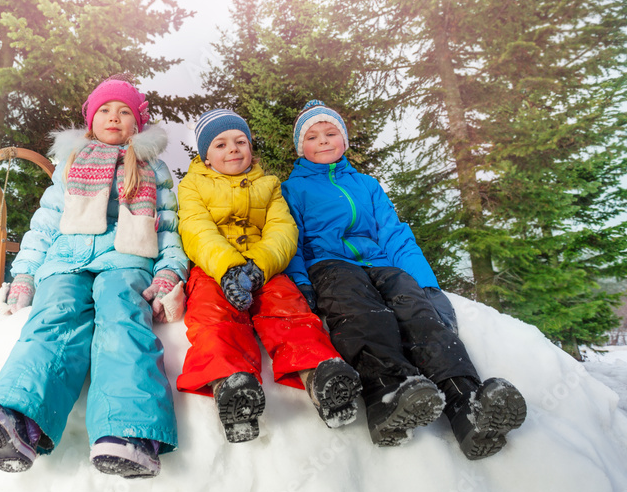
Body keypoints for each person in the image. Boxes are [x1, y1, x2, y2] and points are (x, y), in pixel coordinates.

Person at [0, 76, 189, 478]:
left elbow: (169, 226)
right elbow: (45, 225)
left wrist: (169, 272)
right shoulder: (71, 165)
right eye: (104, 110)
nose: (113, 118)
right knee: (54, 317)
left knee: (121, 321)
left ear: (138, 122)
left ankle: (130, 434)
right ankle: (19, 420)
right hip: (66, 262)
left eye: (124, 112)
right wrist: (26, 273)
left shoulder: (153, 167)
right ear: (90, 121)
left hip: (126, 262)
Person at [281, 100, 527, 460]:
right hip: (330, 266)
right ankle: (387, 396)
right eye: (313, 136)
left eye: (331, 133)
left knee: (419, 315)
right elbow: (291, 239)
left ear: (344, 141)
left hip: (381, 264)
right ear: (300, 148)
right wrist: (301, 283)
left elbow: (395, 234)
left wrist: (426, 285)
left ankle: (466, 404)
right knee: (363, 316)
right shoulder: (293, 189)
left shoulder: (366, 185)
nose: (323, 141)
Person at [175, 108, 361, 443]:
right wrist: (229, 268)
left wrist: (258, 268)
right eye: (220, 144)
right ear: (205, 158)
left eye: (240, 141)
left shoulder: (269, 185)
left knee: (288, 309)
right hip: (213, 268)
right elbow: (195, 229)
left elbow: (283, 230)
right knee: (212, 317)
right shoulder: (192, 187)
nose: (232, 149)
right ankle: (231, 385)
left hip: (264, 268)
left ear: (250, 148)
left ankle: (320, 376)